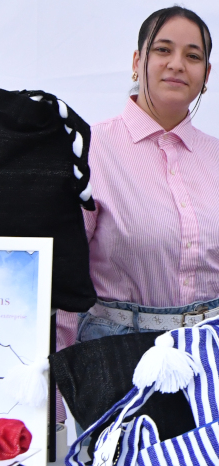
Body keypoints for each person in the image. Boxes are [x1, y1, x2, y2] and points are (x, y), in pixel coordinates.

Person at [57, 6, 217, 348]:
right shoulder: (89, 150)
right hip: (118, 361)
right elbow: (65, 282)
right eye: (163, 49)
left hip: (209, 363)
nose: (176, 63)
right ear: (135, 61)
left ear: (206, 76)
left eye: (193, 55)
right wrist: (60, 388)